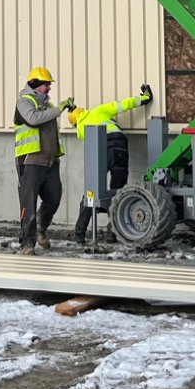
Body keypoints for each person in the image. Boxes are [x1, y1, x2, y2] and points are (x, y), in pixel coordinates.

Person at [68, 83, 152, 242]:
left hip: (103, 150)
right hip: (121, 146)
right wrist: (144, 98)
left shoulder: (80, 129)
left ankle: (79, 234)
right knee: (117, 192)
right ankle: (114, 232)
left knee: (91, 193)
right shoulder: (98, 111)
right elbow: (121, 105)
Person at [14, 67, 74, 251]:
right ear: (35, 85)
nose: (49, 88)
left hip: (50, 162)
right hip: (31, 162)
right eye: (46, 84)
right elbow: (32, 119)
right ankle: (27, 243)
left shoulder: (47, 105)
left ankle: (40, 229)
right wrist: (59, 109)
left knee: (54, 198)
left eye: (49, 84)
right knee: (28, 204)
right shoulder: (24, 102)